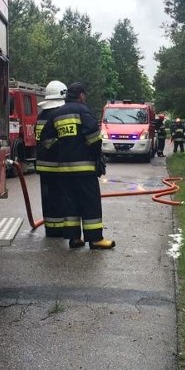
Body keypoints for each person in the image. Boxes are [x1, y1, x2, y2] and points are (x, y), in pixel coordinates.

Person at [38, 82, 115, 250]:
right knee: (90, 202)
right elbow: (94, 136)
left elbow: (45, 139)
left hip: (64, 169)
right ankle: (95, 239)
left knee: (70, 203)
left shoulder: (57, 113)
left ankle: (74, 239)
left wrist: (62, 149)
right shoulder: (83, 111)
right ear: (81, 95)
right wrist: (95, 155)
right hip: (84, 168)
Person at [34, 80, 68, 238]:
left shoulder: (42, 115)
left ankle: (51, 228)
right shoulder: (57, 116)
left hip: (43, 164)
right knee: (59, 198)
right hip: (56, 165)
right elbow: (52, 141)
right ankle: (58, 230)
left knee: (47, 198)